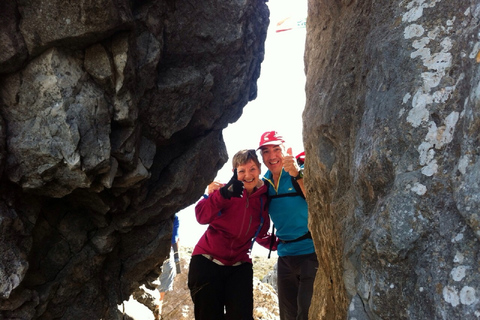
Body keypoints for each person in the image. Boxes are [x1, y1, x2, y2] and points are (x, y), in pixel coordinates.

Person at [188, 149, 271, 320]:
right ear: (234, 172)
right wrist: (222, 194)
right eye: (241, 171)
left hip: (239, 267)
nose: (248, 175)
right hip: (207, 263)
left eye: (252, 169)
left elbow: (261, 233)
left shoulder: (264, 197)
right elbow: (201, 216)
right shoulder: (223, 192)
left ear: (259, 169)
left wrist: (283, 243)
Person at [257, 131, 318, 320]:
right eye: (266, 151)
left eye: (277, 149)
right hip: (285, 257)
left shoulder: (299, 171)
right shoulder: (264, 182)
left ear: (285, 151)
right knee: (288, 316)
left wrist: (298, 175)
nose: (272, 156)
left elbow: (318, 202)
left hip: (310, 253)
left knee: (306, 314)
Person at [154, 214, 180, 320]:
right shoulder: (174, 217)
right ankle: (156, 316)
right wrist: (177, 265)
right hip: (167, 257)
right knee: (159, 299)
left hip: (148, 255)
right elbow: (174, 240)